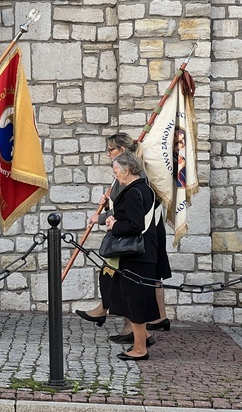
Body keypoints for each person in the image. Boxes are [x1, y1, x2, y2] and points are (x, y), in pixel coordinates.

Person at [75, 133, 171, 340]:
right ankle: (140, 329)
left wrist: (103, 219)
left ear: (123, 151)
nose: (108, 154)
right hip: (141, 235)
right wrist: (109, 202)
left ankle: (134, 330)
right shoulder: (125, 176)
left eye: (111, 149)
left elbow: (130, 213)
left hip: (140, 237)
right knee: (130, 280)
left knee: (131, 281)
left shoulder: (136, 180)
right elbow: (121, 206)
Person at [105, 152, 159, 361]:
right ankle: (142, 339)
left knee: (136, 302)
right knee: (131, 298)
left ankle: (140, 349)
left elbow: (136, 225)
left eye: (116, 171)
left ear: (126, 170)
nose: (116, 175)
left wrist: (114, 224)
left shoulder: (135, 192)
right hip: (142, 254)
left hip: (137, 255)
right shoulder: (144, 189)